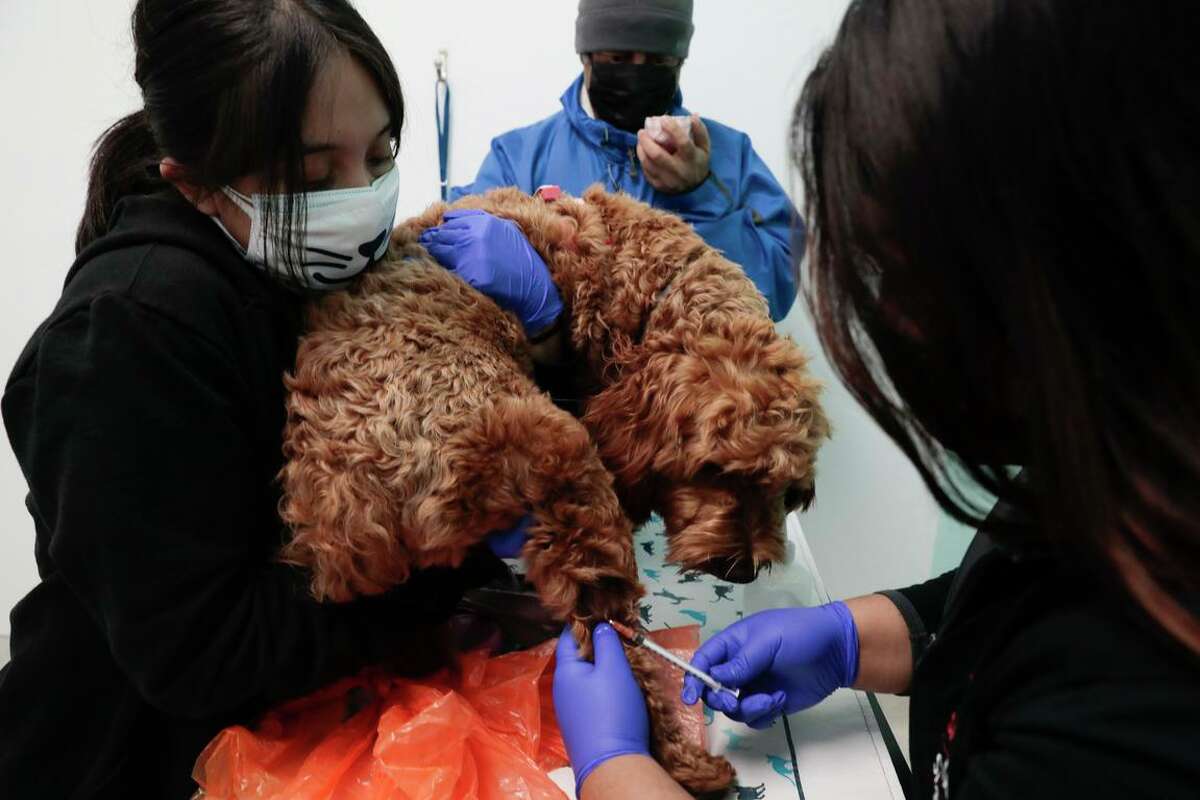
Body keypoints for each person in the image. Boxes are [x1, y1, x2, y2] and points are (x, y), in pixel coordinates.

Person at [552, 0, 1200, 796]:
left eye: (901, 270)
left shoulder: (1129, 724)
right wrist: (850, 638)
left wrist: (614, 767)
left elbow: (766, 275)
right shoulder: (1126, 478)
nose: (887, 316)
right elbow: (1004, 601)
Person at [0, 2, 553, 797]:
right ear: (193, 181)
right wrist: (452, 555)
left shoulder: (296, 265)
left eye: (381, 152)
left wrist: (545, 333)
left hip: (310, 721)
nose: (361, 198)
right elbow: (207, 656)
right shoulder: (129, 333)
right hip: (138, 761)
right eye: (314, 173)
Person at [449, 0, 801, 323]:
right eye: (617, 59)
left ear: (679, 60)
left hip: (687, 384)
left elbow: (773, 295)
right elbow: (460, 280)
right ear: (586, 54)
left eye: (657, 61)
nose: (637, 73)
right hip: (550, 390)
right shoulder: (516, 157)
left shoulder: (730, 154)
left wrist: (700, 194)